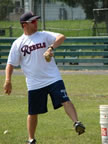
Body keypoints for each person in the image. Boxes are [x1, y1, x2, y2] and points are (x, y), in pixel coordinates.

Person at [3, 11, 85, 144]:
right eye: (33, 21)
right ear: (24, 25)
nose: (36, 23)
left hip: (53, 78)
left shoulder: (43, 35)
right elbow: (10, 64)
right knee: (33, 112)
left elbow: (61, 37)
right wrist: (8, 80)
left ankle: (77, 122)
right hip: (34, 83)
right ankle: (31, 139)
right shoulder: (18, 43)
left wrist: (51, 48)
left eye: (36, 21)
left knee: (65, 99)